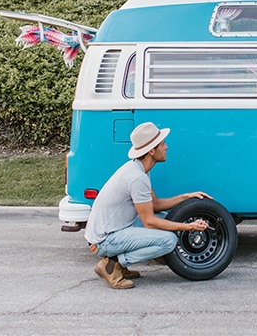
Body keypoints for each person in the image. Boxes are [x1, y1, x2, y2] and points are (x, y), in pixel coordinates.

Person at [84, 121, 211, 289]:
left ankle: (119, 265)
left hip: (116, 228)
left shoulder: (139, 169)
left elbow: (156, 205)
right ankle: (113, 265)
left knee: (165, 219)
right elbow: (149, 221)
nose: (166, 147)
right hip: (104, 239)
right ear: (151, 151)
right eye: (162, 144)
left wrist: (187, 196)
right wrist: (187, 227)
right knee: (169, 240)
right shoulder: (137, 178)